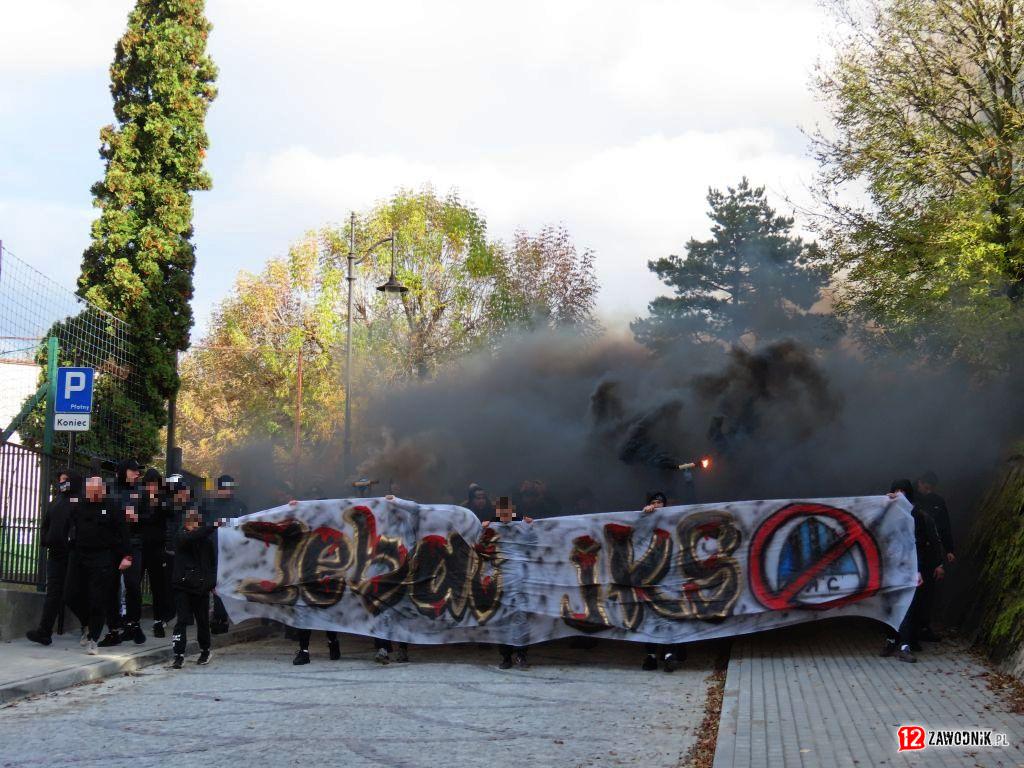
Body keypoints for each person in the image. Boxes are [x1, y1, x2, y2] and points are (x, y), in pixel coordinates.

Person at [881, 479, 944, 663]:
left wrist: (919, 569)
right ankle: (892, 639)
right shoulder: (888, 509)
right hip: (892, 567)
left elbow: (919, 544)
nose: (899, 494)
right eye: (896, 490)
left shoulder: (916, 514)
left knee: (907, 606)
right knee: (891, 605)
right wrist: (883, 502)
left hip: (910, 567)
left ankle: (905, 644)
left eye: (903, 491)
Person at [70, 474, 131, 655]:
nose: (94, 494)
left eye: (97, 491)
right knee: (71, 594)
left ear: (103, 490)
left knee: (98, 599)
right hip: (80, 555)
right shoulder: (79, 506)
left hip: (102, 557)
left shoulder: (111, 507)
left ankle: (94, 639)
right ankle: (86, 623)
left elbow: (124, 532)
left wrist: (127, 556)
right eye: (91, 491)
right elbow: (71, 527)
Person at [26, 471, 87, 645]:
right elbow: (46, 523)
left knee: (70, 593)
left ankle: (88, 623)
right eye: (60, 479)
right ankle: (44, 632)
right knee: (53, 593)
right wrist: (46, 539)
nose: (62, 482)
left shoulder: (79, 500)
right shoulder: (56, 500)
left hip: (72, 553)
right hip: (55, 553)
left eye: (66, 479)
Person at [483, 496, 534, 669]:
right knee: (502, 617)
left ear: (512, 510)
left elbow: (533, 543)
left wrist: (530, 526)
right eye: (501, 511)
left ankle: (521, 655)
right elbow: (481, 546)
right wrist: (482, 529)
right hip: (500, 577)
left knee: (520, 615)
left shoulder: (522, 525)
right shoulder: (491, 527)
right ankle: (506, 657)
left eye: (507, 511)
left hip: (519, 577)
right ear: (497, 512)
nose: (504, 514)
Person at [639, 491, 686, 672]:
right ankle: (651, 656)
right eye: (654, 502)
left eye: (660, 502)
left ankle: (669, 655)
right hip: (649, 578)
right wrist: (644, 514)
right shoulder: (644, 520)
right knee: (650, 618)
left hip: (670, 578)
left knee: (670, 615)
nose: (657, 505)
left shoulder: (672, 521)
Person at [170, 509, 218, 669]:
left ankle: (205, 650)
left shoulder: (206, 542)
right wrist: (212, 526)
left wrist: (211, 584)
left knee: (202, 620)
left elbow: (212, 564)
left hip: (201, 587)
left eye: (198, 525)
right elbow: (191, 538)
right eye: (193, 524)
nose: (196, 528)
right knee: (182, 620)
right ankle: (178, 654)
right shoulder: (180, 537)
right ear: (186, 524)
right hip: (182, 586)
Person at [202, 474, 249, 634]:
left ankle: (223, 617)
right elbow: (202, 526)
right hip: (212, 550)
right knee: (213, 584)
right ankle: (215, 617)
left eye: (230, 488)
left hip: (231, 552)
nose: (228, 491)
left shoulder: (240, 506)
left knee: (227, 585)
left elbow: (245, 527)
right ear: (218, 488)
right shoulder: (208, 505)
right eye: (224, 488)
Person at [915, 471, 954, 641]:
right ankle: (909, 629)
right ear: (919, 483)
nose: (928, 491)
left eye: (931, 488)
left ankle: (924, 626)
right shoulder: (910, 500)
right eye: (926, 487)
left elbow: (944, 526)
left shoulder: (938, 502)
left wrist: (949, 549)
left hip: (931, 552)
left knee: (928, 591)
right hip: (914, 551)